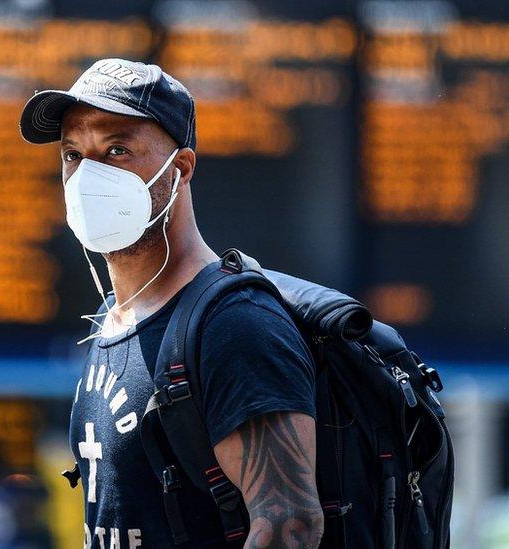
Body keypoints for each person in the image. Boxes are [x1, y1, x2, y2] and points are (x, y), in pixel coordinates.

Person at [20, 58, 324, 548]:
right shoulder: (111, 321)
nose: (87, 177)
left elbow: (291, 523)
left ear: (180, 168)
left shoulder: (234, 325)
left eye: (116, 150)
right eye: (73, 154)